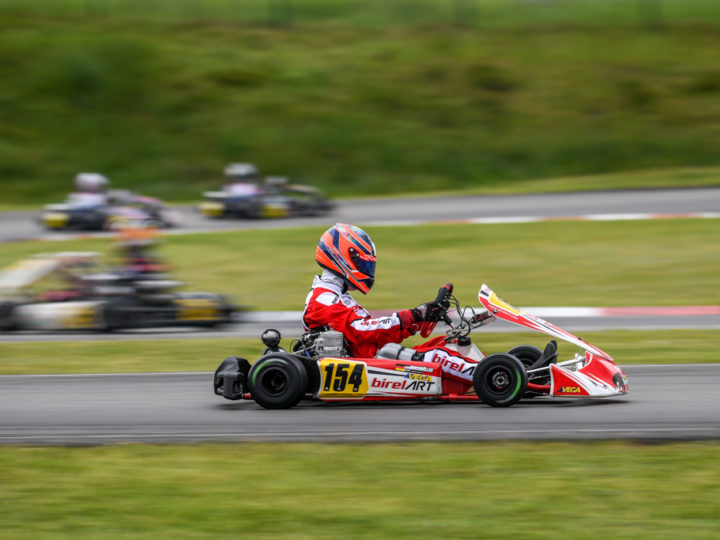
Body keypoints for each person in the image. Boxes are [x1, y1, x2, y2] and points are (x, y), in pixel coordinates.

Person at [302, 223, 486, 383]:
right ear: (342, 257)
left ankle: (498, 368)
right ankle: (489, 375)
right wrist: (413, 315)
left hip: (373, 359)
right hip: (365, 367)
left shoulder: (339, 296)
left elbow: (375, 335)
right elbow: (361, 330)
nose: (366, 269)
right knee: (436, 356)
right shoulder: (323, 299)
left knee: (447, 344)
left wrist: (416, 321)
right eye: (363, 263)